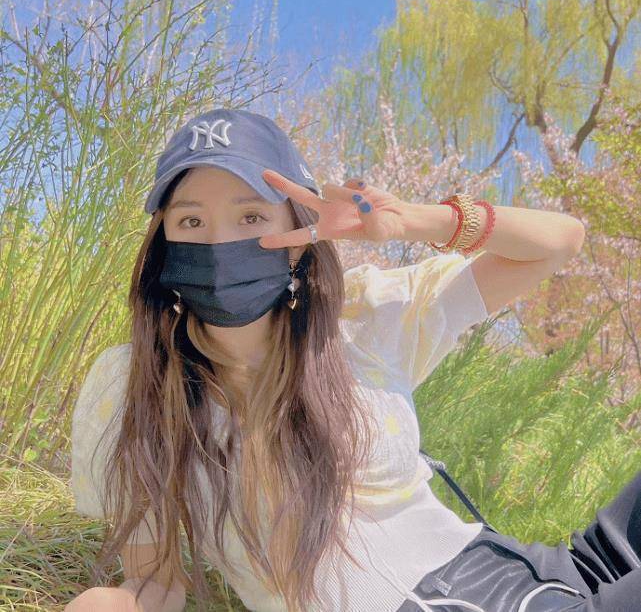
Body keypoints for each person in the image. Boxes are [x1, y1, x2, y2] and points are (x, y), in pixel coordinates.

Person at [65, 107, 641, 612]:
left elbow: (559, 242)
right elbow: (155, 579)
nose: (219, 244)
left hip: (533, 572)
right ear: (165, 241)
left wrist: (416, 220)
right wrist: (112, 601)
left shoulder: (366, 319)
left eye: (251, 217)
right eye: (191, 221)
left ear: (299, 239)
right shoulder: (132, 384)